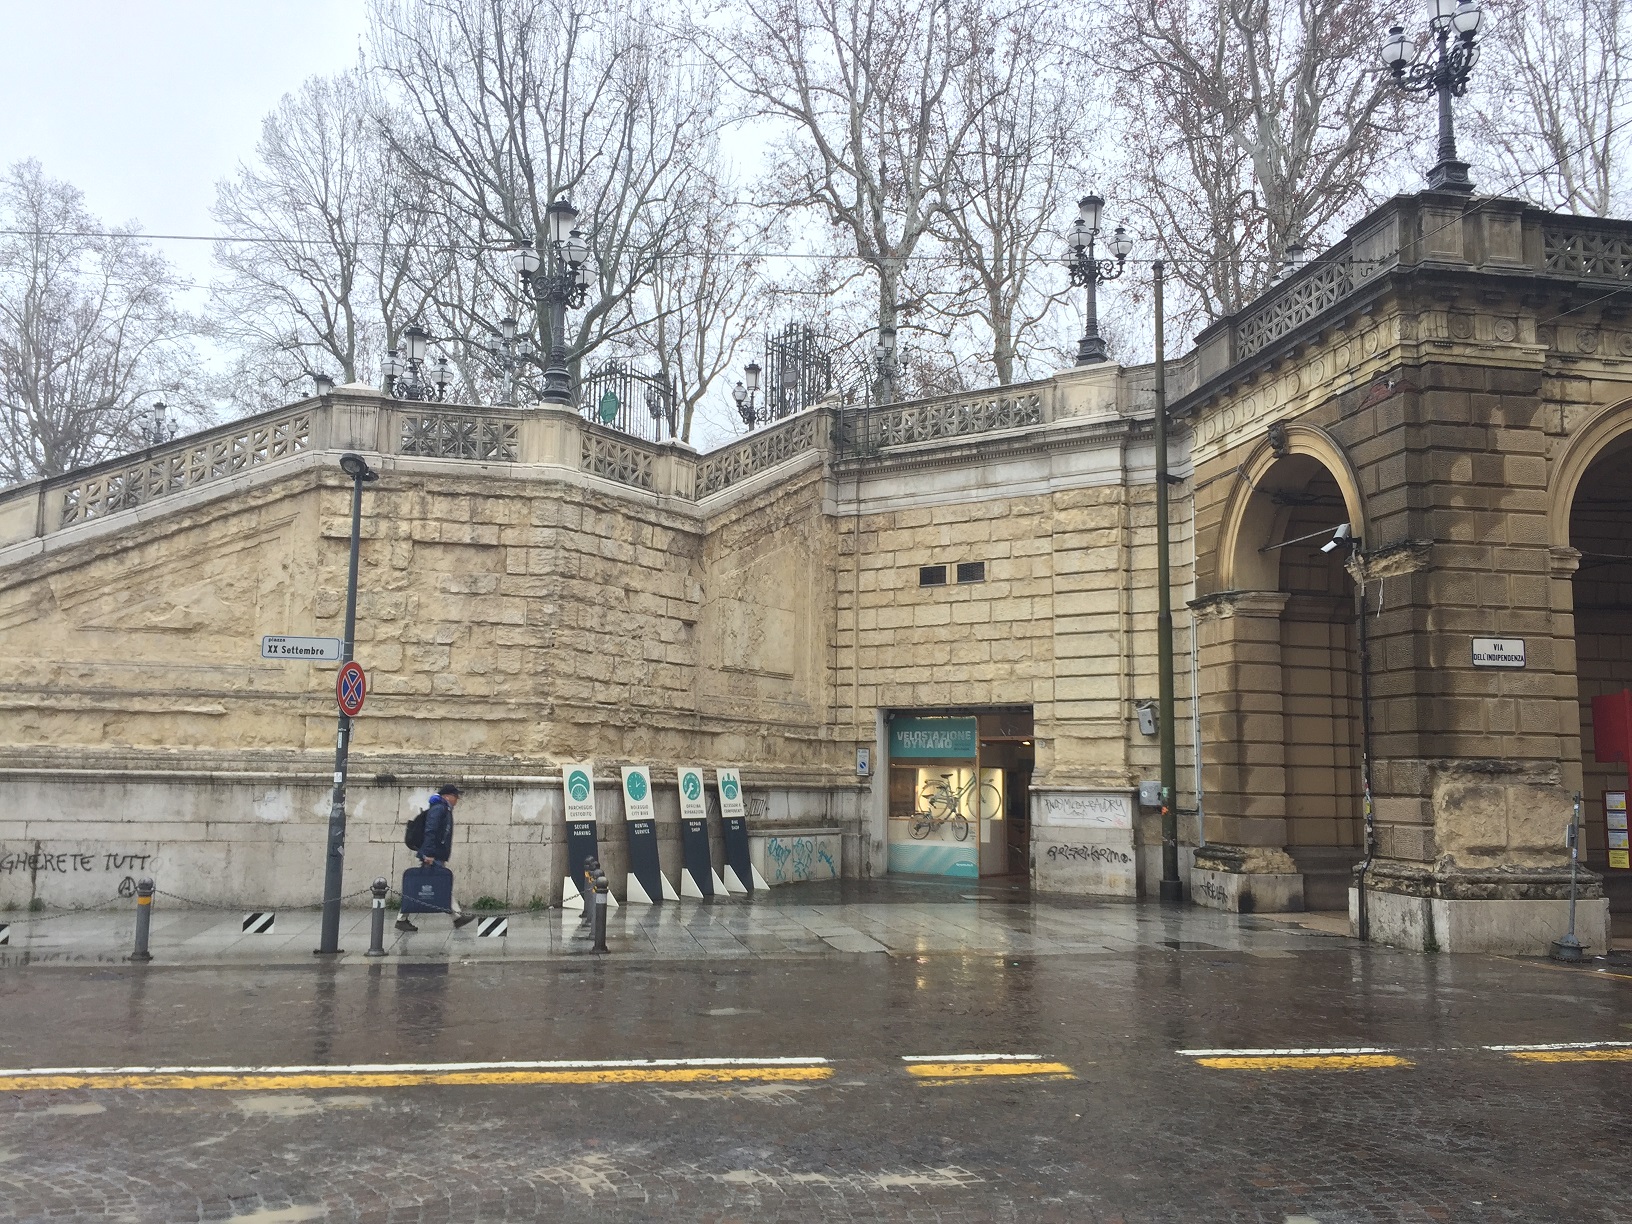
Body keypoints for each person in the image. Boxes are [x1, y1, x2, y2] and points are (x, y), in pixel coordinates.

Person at [397, 785, 477, 932]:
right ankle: (456, 917)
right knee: (435, 884)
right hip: (432, 855)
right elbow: (431, 831)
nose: (457, 799)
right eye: (455, 796)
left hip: (434, 853)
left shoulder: (443, 808)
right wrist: (428, 853)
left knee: (436, 884)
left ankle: (456, 917)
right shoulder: (439, 808)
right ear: (447, 796)